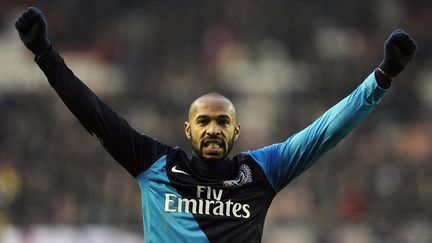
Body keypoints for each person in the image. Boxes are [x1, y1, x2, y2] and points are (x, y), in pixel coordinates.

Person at [15, 6, 417, 243]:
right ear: (188, 130)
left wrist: (380, 78)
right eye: (203, 121)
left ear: (236, 132)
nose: (212, 128)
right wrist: (46, 55)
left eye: (222, 121)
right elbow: (93, 112)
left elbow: (326, 132)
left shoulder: (262, 171)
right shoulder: (153, 163)